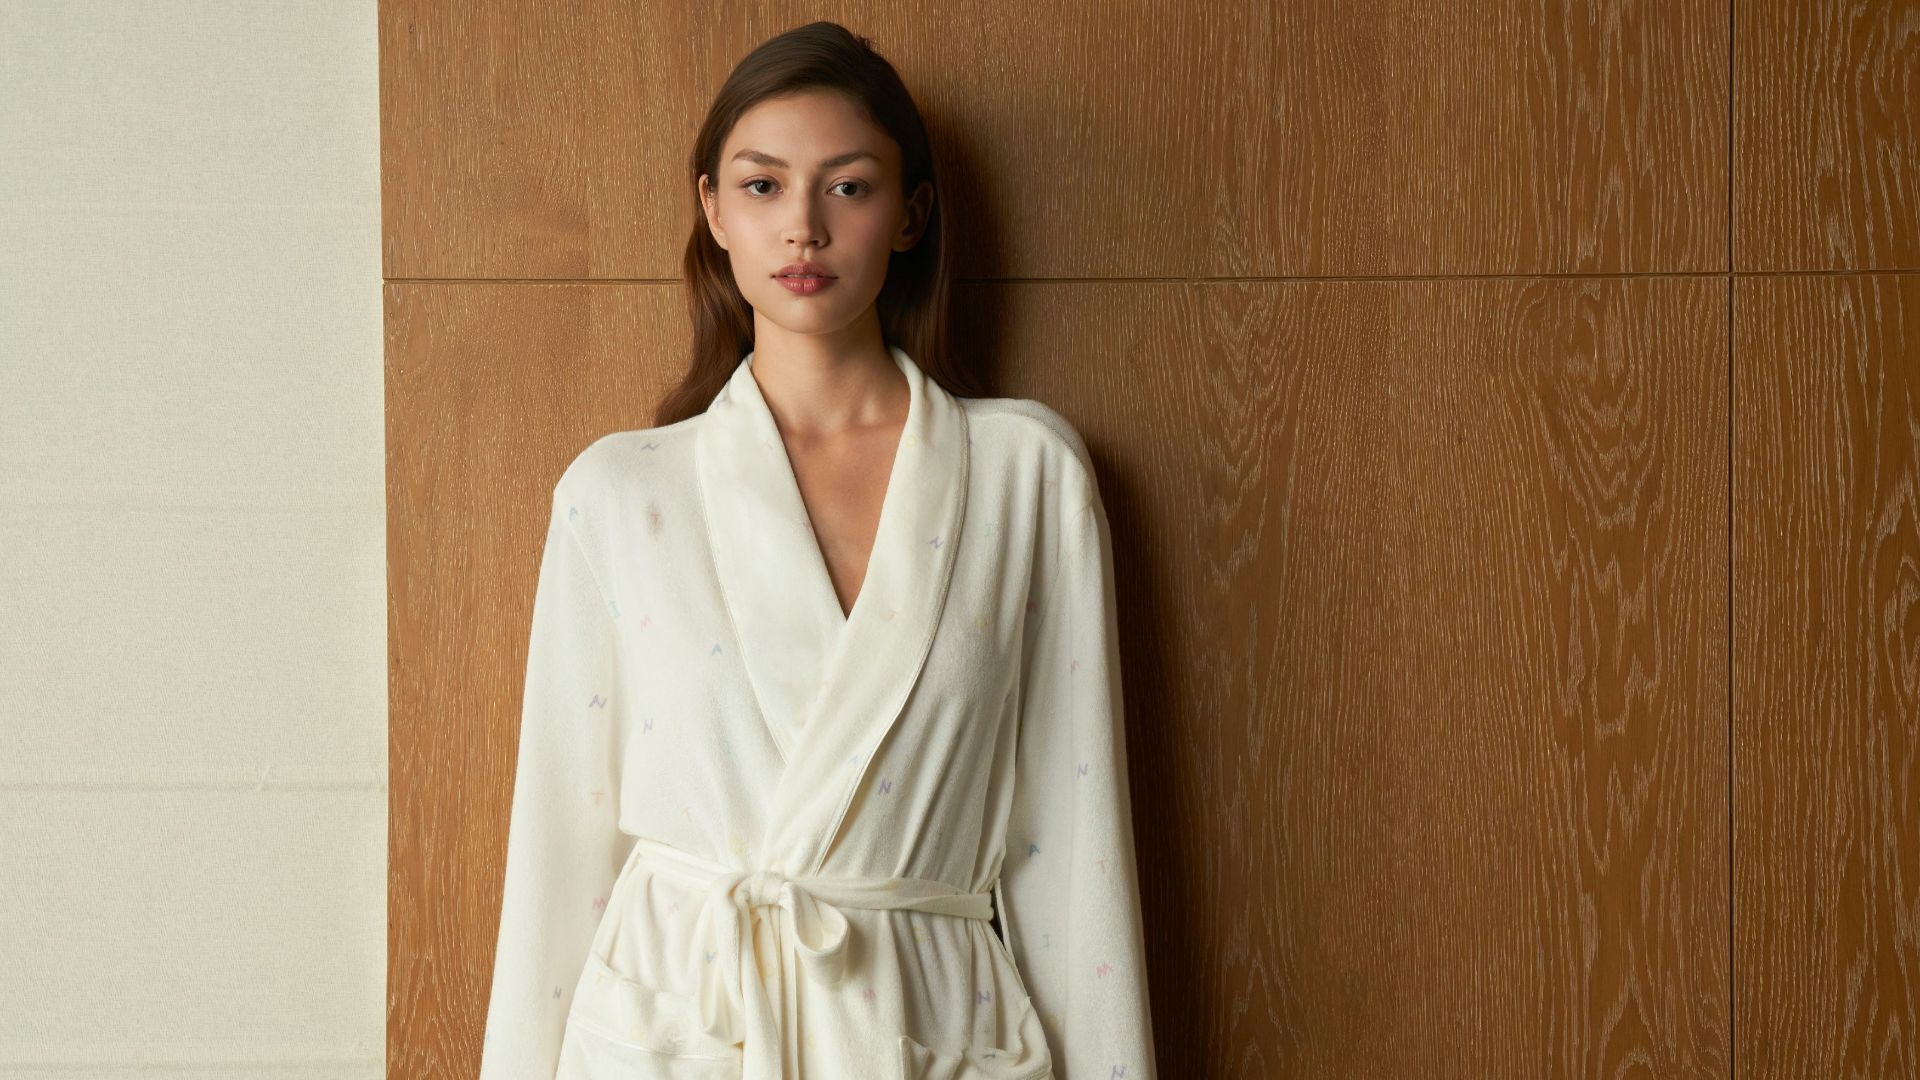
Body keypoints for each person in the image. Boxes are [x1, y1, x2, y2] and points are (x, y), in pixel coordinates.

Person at [478, 20, 1156, 1080]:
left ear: (909, 215)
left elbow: (1072, 853)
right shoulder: (620, 495)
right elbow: (561, 859)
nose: (802, 227)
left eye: (847, 187)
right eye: (761, 186)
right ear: (711, 209)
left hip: (921, 1028)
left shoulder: (1026, 476)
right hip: (682, 1030)